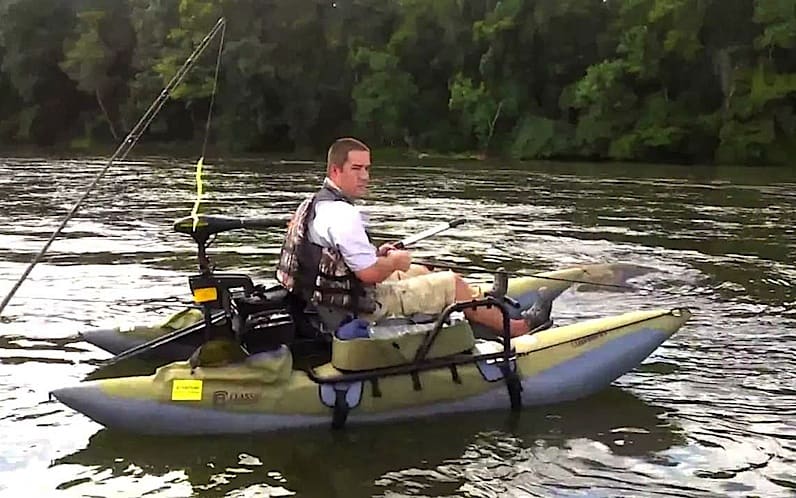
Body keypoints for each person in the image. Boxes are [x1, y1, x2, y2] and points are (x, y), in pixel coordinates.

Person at [276, 137, 547, 337]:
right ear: (336, 171)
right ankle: (519, 329)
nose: (365, 176)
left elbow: (338, 259)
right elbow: (369, 274)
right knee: (451, 283)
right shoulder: (342, 214)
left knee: (422, 269)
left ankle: (482, 298)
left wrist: (381, 255)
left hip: (322, 301)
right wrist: (394, 262)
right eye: (357, 169)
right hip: (354, 307)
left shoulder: (314, 204)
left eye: (367, 169)